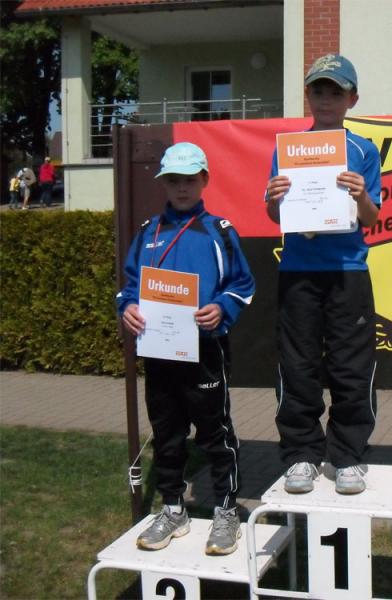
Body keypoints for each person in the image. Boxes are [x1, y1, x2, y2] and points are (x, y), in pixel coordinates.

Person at [116, 142, 255, 555]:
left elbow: (243, 284)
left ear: (204, 180)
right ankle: (174, 508)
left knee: (215, 434)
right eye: (174, 180)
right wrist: (128, 308)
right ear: (163, 183)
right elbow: (129, 287)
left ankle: (226, 510)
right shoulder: (148, 232)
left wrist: (221, 307)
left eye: (190, 180)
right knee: (167, 434)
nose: (181, 187)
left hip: (205, 350)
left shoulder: (220, 231)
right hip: (160, 352)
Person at [264, 54, 381, 495]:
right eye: (318, 91)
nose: (326, 99)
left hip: (348, 272)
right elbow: (277, 215)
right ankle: (301, 454)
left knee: (352, 366)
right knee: (298, 365)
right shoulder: (287, 150)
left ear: (352, 99)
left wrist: (361, 194)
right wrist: (274, 198)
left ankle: (347, 456)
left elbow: (371, 218)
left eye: (336, 92)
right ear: (308, 97)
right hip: (299, 270)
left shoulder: (363, 150)